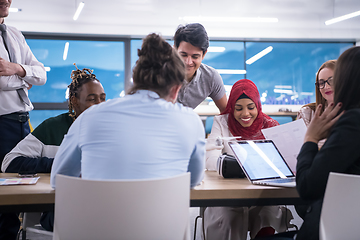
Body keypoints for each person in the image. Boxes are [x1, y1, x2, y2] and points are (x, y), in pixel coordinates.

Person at [50, 33, 205, 189]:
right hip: (164, 213)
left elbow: (58, 180)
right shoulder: (191, 122)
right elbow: (193, 181)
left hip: (99, 213)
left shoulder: (89, 117)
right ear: (176, 89)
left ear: (135, 79)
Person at [255, 46, 360, 240]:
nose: (327, 86)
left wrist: (310, 138)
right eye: (321, 83)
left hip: (330, 231)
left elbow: (307, 186)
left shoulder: (352, 123)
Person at [1, 66, 105, 232]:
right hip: (66, 211)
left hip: (104, 209)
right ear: (74, 101)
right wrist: (56, 164)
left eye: (103, 98)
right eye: (92, 99)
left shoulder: (111, 130)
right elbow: (9, 163)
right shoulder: (53, 127)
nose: (100, 105)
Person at [204, 79, 293, 240]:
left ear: (258, 106)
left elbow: (285, 161)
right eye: (238, 109)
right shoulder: (222, 122)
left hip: (262, 193)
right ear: (231, 107)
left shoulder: (270, 126)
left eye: (251, 107)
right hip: (228, 194)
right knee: (231, 218)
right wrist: (238, 166)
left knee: (267, 215)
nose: (245, 114)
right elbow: (210, 158)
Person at [0, 1, 46, 239]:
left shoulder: (15, 34)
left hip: (22, 122)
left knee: (24, 185)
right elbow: (2, 81)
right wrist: (25, 76)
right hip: (1, 124)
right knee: (2, 197)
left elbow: (42, 74)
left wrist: (16, 68)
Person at [173, 23, 227, 112]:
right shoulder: (158, 73)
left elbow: (226, 112)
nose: (188, 62)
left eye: (195, 56)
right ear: (175, 50)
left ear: (204, 54)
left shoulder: (211, 77)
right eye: (183, 55)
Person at [297, 60, 336, 148]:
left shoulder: (353, 113)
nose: (326, 87)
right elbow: (300, 148)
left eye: (332, 80)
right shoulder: (307, 112)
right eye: (321, 83)